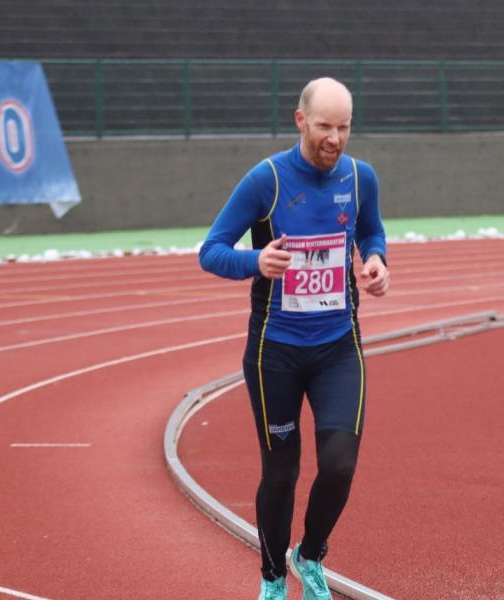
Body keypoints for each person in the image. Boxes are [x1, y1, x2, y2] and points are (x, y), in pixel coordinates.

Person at [198, 77, 388, 600]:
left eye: (345, 127)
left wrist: (376, 262)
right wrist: (254, 261)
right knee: (280, 474)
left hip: (337, 347)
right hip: (274, 351)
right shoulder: (267, 180)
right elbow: (211, 250)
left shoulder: (359, 177)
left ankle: (310, 555)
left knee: (339, 465)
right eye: (325, 126)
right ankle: (273, 579)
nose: (335, 138)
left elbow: (372, 232)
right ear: (300, 120)